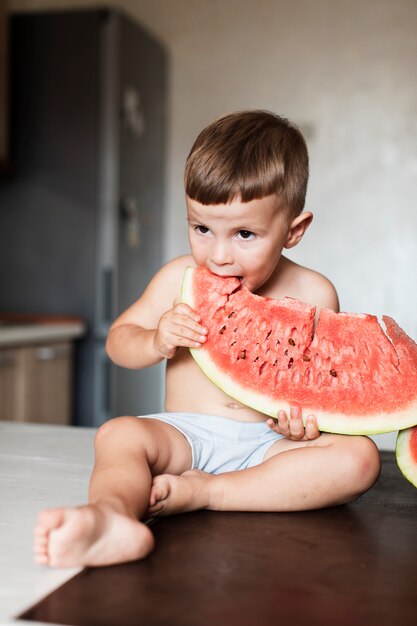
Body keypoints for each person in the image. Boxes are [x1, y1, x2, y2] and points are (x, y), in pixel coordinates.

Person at [33, 110, 381, 568]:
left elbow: (321, 390)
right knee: (118, 434)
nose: (218, 255)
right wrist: (156, 340)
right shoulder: (178, 277)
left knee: (360, 458)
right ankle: (111, 519)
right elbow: (119, 341)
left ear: (293, 230)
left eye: (244, 234)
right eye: (202, 228)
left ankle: (210, 493)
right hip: (187, 436)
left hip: (270, 446)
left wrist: (306, 425)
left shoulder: (315, 294)